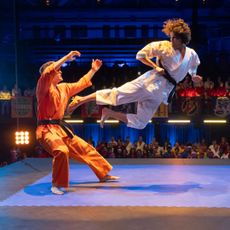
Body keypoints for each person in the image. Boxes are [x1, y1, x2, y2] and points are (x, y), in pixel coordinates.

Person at [67, 18, 202, 129]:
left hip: (163, 92)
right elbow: (140, 55)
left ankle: (108, 112)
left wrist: (194, 75)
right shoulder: (163, 46)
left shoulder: (191, 54)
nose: (171, 41)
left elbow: (193, 66)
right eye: (171, 37)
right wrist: (155, 66)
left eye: (174, 38)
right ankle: (80, 100)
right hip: (150, 82)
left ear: (182, 39)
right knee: (117, 95)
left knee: (141, 123)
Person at [36, 51, 119, 195]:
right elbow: (48, 72)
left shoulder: (63, 88)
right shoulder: (43, 88)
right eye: (57, 70)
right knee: (62, 151)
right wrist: (67, 58)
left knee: (85, 148)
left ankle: (103, 174)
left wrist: (93, 70)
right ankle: (57, 184)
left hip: (60, 128)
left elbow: (81, 84)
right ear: (50, 74)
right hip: (46, 130)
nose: (60, 71)